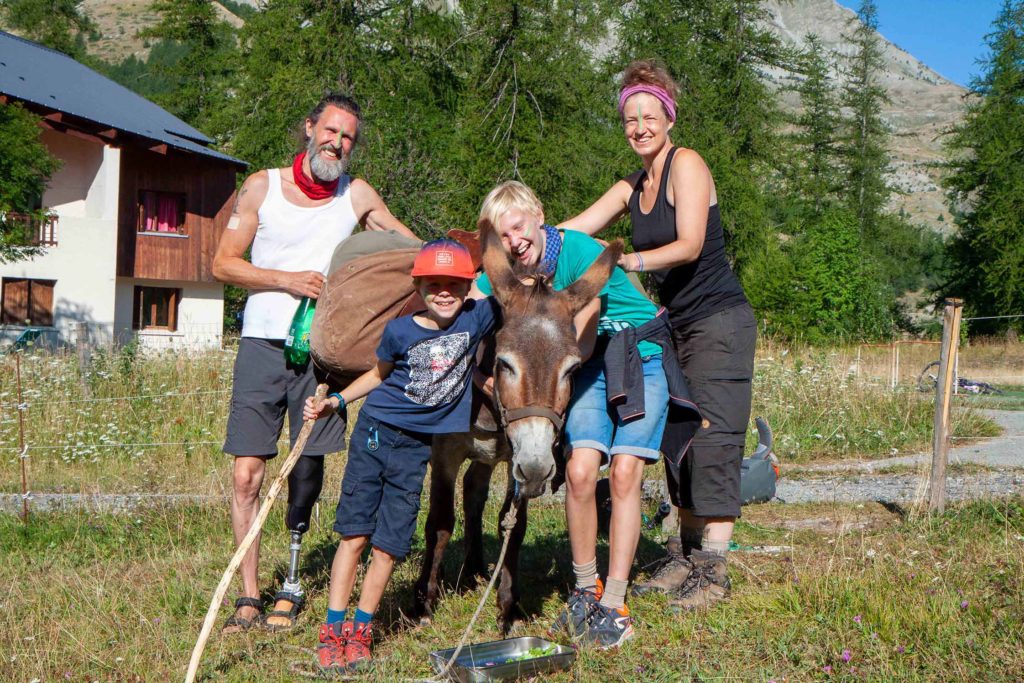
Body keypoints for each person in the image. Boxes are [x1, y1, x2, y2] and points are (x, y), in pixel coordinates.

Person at [212, 92, 418, 634]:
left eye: (348, 136)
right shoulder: (262, 186)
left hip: (325, 356)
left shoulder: (356, 195)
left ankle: (293, 582)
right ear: (309, 128)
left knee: (307, 470)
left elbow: (409, 247)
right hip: (262, 346)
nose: (337, 142)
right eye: (330, 130)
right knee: (246, 474)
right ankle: (248, 594)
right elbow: (221, 264)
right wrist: (287, 279)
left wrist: (458, 270)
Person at [560, 59, 757, 610]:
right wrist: (525, 238)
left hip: (719, 320)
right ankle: (684, 553)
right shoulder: (631, 184)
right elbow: (575, 227)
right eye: (630, 119)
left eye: (650, 116)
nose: (640, 127)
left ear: (669, 119)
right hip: (673, 323)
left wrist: (627, 262)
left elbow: (691, 243)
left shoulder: (686, 164)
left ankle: (713, 568)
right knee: (680, 434)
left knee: (714, 437)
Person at [473, 181, 685, 649]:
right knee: (580, 470)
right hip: (587, 363)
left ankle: (615, 602)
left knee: (626, 473)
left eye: (519, 228)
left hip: (637, 354)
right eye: (502, 236)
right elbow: (473, 299)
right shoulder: (509, 270)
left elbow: (580, 342)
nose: (513, 242)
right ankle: (584, 589)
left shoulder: (579, 253)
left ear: (539, 216)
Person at [305, 239, 499, 673]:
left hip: (416, 448)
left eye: (455, 284)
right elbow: (379, 375)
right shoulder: (400, 331)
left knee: (390, 546)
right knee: (355, 535)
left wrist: (474, 274)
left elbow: (499, 288)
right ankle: (332, 630)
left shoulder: (477, 318)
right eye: (434, 284)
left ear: (469, 286)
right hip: (375, 433)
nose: (444, 292)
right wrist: (336, 400)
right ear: (418, 285)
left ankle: (361, 631)